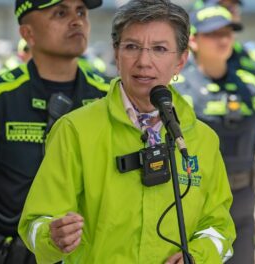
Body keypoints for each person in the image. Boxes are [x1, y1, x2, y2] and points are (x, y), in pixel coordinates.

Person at [18, 0, 235, 263]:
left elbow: (220, 228)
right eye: (132, 47)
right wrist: (51, 237)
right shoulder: (75, 130)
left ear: (181, 60)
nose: (144, 61)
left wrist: (197, 257)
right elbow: (35, 222)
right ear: (116, 54)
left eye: (159, 49)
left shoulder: (203, 139)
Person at [0, 0, 108, 262]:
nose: (77, 21)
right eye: (60, 12)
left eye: (81, 12)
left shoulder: (109, 97)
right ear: (28, 34)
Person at [173, 4, 255, 264]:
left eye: (228, 32)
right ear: (193, 40)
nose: (224, 39)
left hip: (242, 196)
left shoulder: (250, 84)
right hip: (196, 199)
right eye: (213, 33)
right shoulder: (178, 89)